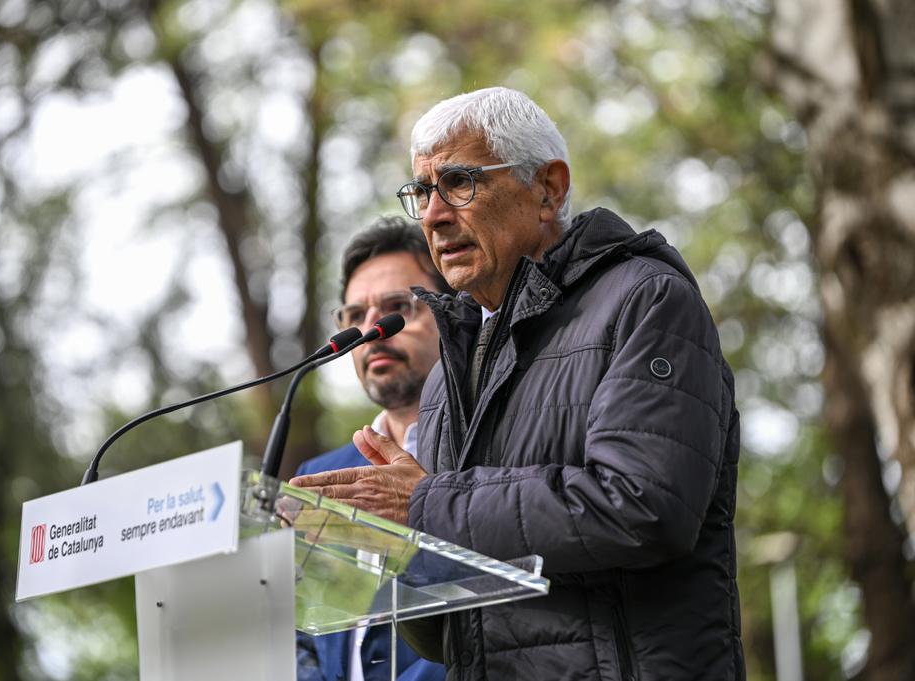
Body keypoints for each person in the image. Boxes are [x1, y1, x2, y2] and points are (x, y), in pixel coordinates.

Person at [291, 87, 743, 681]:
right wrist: (387, 543)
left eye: (459, 182)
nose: (433, 214)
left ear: (548, 189)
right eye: (423, 191)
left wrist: (424, 506)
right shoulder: (453, 368)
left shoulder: (644, 300)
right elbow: (439, 635)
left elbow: (645, 508)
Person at [296, 217, 449, 681]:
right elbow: (299, 631)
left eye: (395, 308)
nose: (370, 331)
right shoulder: (322, 474)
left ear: (453, 311)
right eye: (354, 316)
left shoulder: (497, 448)